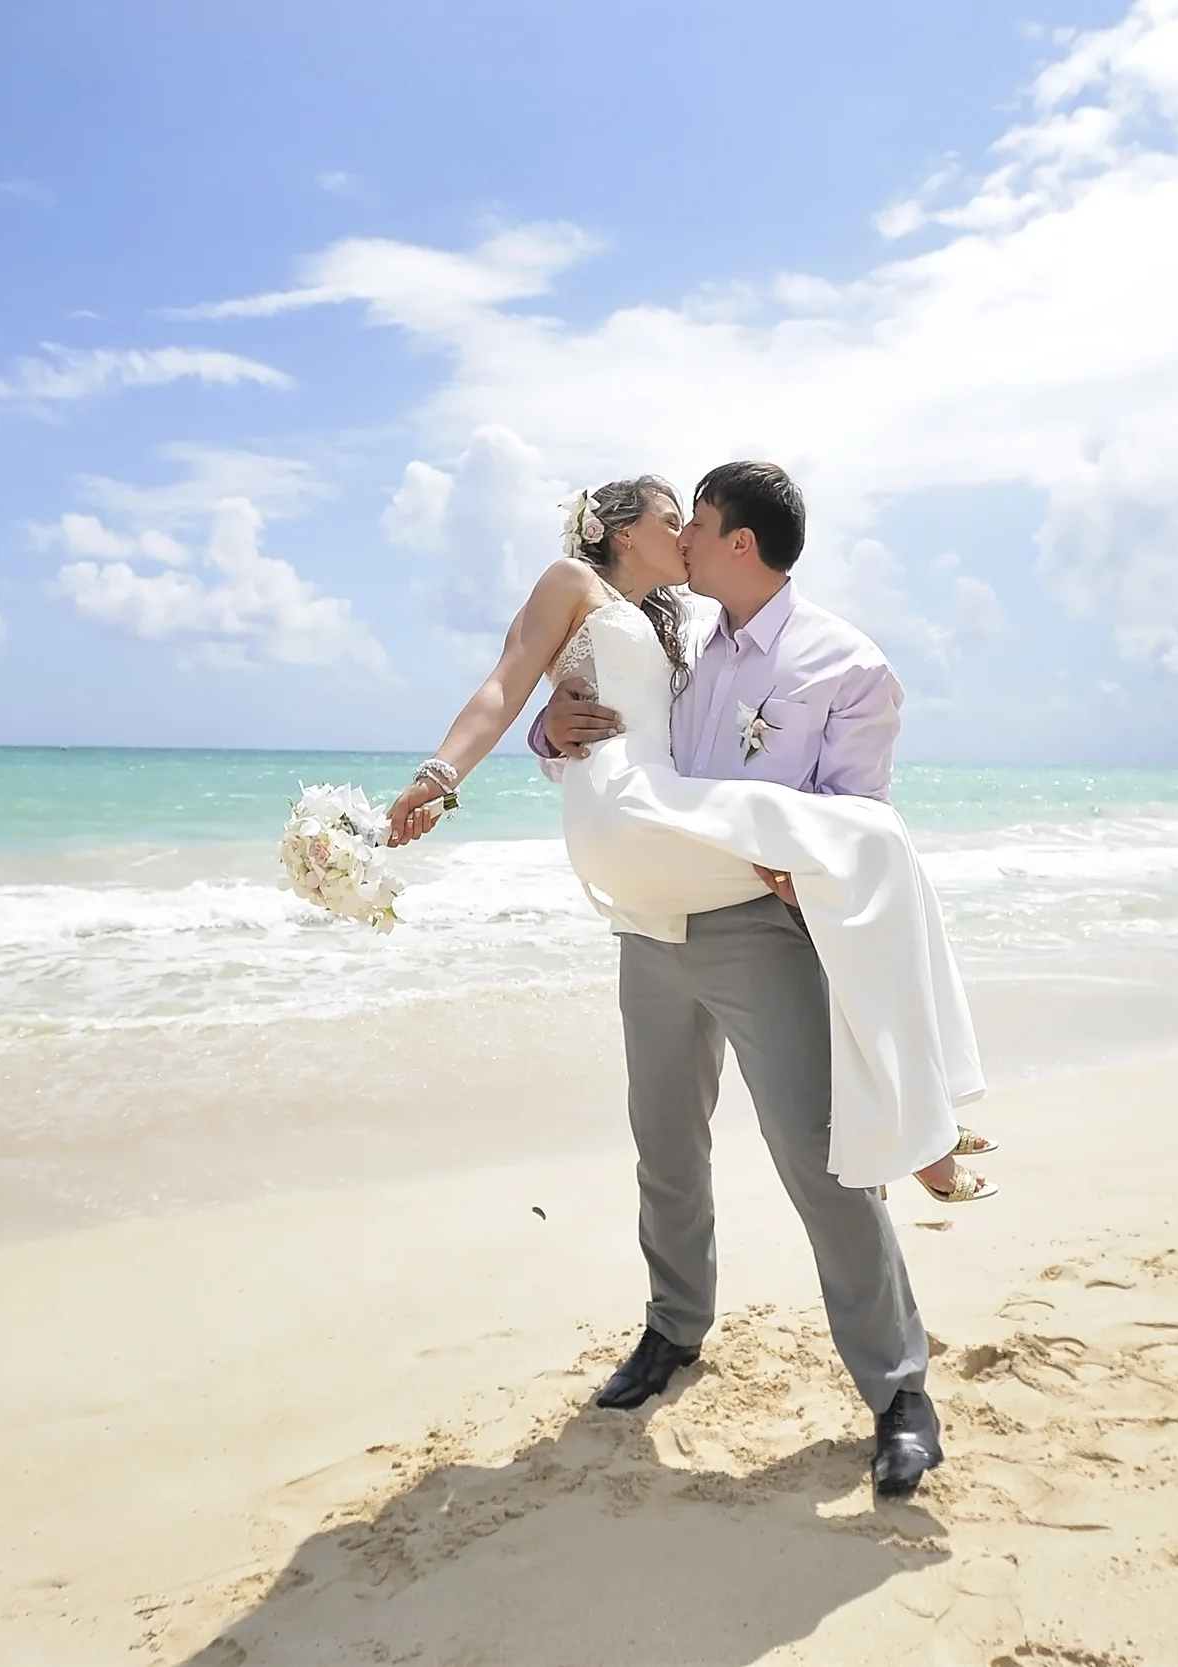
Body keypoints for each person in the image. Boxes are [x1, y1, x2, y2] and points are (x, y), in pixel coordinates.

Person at [385, 464, 983, 1497]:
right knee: (664, 1139)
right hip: (646, 919)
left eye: (698, 523)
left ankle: (897, 1388)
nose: (688, 538)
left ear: (738, 543)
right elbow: (588, 705)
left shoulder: (842, 659)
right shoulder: (681, 633)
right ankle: (673, 1328)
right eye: (675, 521)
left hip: (754, 923)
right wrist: (541, 729)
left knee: (816, 1155)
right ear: (622, 532)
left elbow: (846, 809)